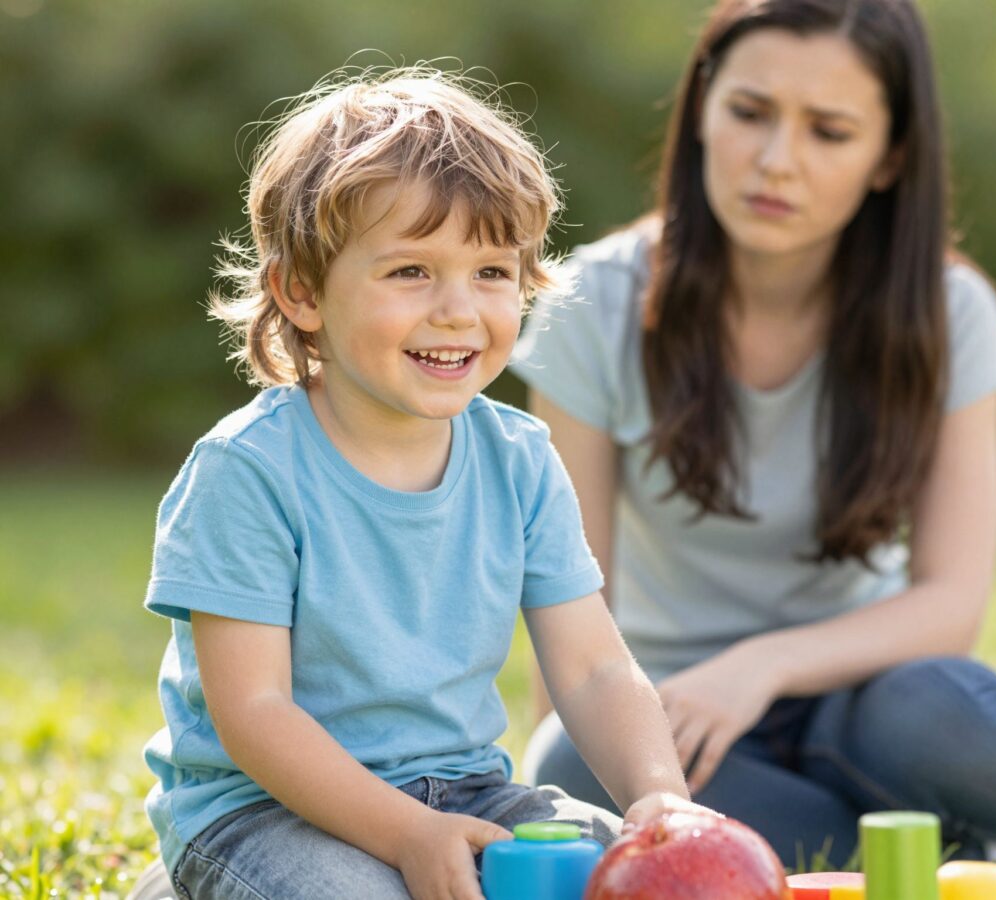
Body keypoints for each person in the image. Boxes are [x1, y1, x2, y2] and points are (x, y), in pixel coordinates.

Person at [513, 0, 996, 870]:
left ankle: (953, 823)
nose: (775, 161)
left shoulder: (952, 314)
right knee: (570, 762)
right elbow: (571, 606)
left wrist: (761, 665)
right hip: (674, 715)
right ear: (702, 110)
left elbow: (950, 603)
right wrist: (581, 781)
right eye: (749, 113)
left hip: (869, 698)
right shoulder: (594, 303)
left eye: (829, 132)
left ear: (891, 157)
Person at [134, 67, 707, 900]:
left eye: (491, 273)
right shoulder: (248, 471)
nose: (457, 310)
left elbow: (593, 671)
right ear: (301, 291)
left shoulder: (519, 461)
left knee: (637, 875)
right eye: (410, 271)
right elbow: (255, 714)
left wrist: (660, 798)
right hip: (264, 813)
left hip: (469, 792)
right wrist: (407, 836)